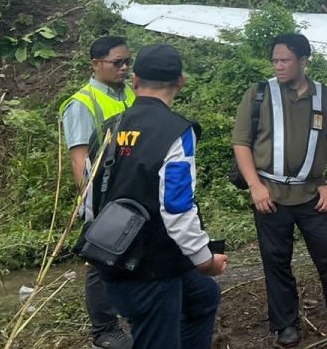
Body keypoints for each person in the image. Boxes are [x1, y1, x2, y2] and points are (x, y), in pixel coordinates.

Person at [90, 44, 227, 349]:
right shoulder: (177, 131)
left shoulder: (111, 128)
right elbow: (177, 208)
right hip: (151, 270)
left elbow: (90, 200)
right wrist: (205, 260)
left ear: (135, 80)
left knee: (203, 296)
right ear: (181, 81)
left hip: (114, 256)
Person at [232, 33, 327, 347]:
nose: (278, 66)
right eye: (275, 60)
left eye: (285, 60)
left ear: (304, 61)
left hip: (312, 194)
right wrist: (255, 187)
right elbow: (241, 143)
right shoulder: (259, 93)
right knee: (276, 260)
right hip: (270, 196)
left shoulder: (323, 96)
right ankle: (285, 323)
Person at [60, 36, 136, 349]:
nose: (124, 68)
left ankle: (133, 315)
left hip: (132, 191)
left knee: (132, 254)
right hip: (104, 195)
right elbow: (79, 157)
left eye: (127, 62)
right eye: (117, 62)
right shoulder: (83, 103)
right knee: (101, 258)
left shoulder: (129, 93)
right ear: (96, 64)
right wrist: (90, 201)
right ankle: (104, 329)